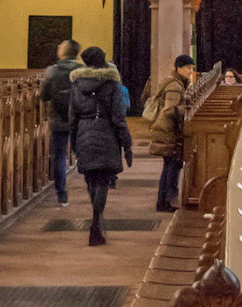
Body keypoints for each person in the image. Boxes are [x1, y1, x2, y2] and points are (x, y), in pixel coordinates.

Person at [68, 44, 133, 245]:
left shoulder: (76, 85)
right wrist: (127, 145)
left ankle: (96, 218)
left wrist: (74, 142)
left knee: (91, 178)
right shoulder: (112, 84)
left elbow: (72, 117)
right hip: (106, 133)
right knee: (103, 180)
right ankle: (96, 221)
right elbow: (118, 117)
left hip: (84, 132)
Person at [147, 53, 195, 212]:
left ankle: (164, 201)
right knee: (170, 167)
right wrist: (187, 108)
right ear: (178, 68)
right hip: (168, 130)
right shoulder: (174, 86)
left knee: (170, 165)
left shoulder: (176, 82)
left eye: (191, 68)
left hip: (166, 129)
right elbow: (169, 110)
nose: (190, 71)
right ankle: (165, 202)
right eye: (188, 68)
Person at [39, 37, 81, 204]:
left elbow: (44, 95)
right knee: (84, 151)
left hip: (58, 117)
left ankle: (62, 194)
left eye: (61, 46)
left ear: (64, 51)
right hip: (79, 117)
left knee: (59, 156)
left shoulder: (52, 71)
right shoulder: (81, 71)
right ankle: (93, 188)